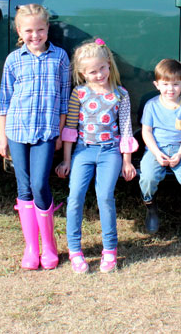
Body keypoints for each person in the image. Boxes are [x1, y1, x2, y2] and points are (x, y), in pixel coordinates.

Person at [0, 4, 71, 270]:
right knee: (23, 186)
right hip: (17, 129)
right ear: (19, 31)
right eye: (29, 30)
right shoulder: (14, 60)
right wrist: (2, 136)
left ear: (47, 28)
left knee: (40, 184)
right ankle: (31, 247)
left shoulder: (60, 57)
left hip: (46, 131)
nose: (35, 35)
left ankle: (49, 245)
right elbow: (4, 100)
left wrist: (61, 132)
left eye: (40, 29)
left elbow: (64, 99)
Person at [56, 38, 138, 273]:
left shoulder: (120, 94)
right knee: (75, 197)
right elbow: (70, 129)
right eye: (93, 71)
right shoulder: (79, 94)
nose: (99, 74)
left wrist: (127, 161)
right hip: (83, 149)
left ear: (109, 65)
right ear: (83, 73)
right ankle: (75, 250)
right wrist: (67, 159)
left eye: (102, 68)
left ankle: (110, 250)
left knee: (105, 197)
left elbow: (125, 128)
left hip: (110, 151)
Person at [139, 58, 181, 239]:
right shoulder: (152, 105)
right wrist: (156, 153)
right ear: (157, 85)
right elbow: (146, 132)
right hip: (156, 149)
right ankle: (151, 211)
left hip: (179, 150)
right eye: (165, 84)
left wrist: (179, 154)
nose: (171, 89)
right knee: (147, 177)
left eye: (176, 84)